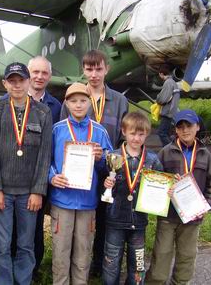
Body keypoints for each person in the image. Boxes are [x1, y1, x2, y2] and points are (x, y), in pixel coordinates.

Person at [61, 49, 129, 275]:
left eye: (99, 68)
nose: (94, 74)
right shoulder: (74, 97)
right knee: (79, 224)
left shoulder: (119, 101)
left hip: (107, 174)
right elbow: (64, 134)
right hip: (77, 175)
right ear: (83, 70)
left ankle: (99, 265)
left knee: (105, 221)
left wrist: (110, 159)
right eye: (89, 69)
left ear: (107, 69)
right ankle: (74, 265)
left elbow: (123, 140)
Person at [0, 62, 52, 285]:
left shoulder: (43, 112)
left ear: (29, 81)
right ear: (4, 83)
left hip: (29, 195)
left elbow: (45, 156)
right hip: (2, 193)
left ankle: (23, 280)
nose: (16, 85)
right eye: (11, 81)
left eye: (21, 80)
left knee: (26, 244)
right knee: (2, 245)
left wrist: (38, 191)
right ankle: (3, 281)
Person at [146, 109, 211, 285]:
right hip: (168, 216)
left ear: (197, 127)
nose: (185, 130)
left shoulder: (205, 154)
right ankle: (155, 282)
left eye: (189, 126)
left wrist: (207, 205)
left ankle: (180, 282)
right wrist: (165, 189)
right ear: (176, 130)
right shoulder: (166, 151)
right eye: (180, 127)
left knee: (187, 255)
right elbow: (154, 180)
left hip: (193, 217)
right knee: (161, 253)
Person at [49, 82, 112, 285]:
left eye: (83, 101)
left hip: (87, 203)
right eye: (73, 101)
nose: (78, 105)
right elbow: (45, 160)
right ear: (66, 104)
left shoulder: (100, 132)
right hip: (62, 201)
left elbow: (109, 168)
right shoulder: (56, 130)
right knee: (61, 252)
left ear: (90, 103)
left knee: (83, 254)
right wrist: (51, 177)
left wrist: (101, 158)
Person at [4, 56, 61, 278]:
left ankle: (31, 268)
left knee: (35, 224)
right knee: (11, 225)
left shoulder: (55, 106)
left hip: (38, 175)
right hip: (12, 174)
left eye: (44, 73)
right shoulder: (7, 99)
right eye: (35, 72)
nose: (39, 77)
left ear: (49, 76)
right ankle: (8, 265)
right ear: (28, 75)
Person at [102, 111, 163, 285]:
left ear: (147, 134)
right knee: (111, 262)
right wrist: (105, 185)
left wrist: (167, 190)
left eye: (141, 134)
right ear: (124, 132)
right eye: (133, 133)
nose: (136, 138)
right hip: (115, 219)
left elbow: (160, 186)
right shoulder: (113, 157)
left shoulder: (152, 160)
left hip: (139, 221)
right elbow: (100, 185)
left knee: (137, 264)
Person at [156, 64, 180, 146]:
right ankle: (169, 150)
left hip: (168, 113)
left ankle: (172, 150)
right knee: (167, 133)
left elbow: (162, 99)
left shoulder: (168, 83)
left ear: (161, 74)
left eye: (159, 74)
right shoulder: (173, 82)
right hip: (172, 112)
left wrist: (157, 98)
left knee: (161, 133)